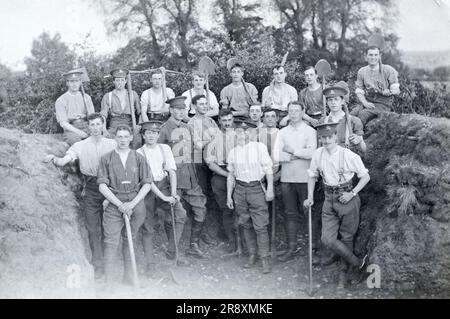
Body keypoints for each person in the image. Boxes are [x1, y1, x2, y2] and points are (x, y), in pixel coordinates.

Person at [44, 113, 117, 279]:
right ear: (87, 127)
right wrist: (54, 158)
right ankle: (97, 265)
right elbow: (65, 160)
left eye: (98, 124)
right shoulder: (81, 145)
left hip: (111, 188)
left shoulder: (112, 144)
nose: (95, 128)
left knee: (110, 228)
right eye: (92, 125)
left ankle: (110, 264)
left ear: (103, 125)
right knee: (93, 228)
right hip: (91, 188)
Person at [304, 122, 370, 289]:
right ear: (320, 139)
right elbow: (312, 175)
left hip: (347, 197)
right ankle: (356, 262)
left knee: (347, 237)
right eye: (323, 138)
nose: (326, 140)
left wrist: (352, 193)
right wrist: (310, 196)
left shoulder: (348, 155)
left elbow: (365, 177)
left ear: (336, 137)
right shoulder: (318, 154)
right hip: (329, 198)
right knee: (327, 238)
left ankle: (343, 275)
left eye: (329, 137)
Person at [97, 125, 152, 291]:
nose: (122, 140)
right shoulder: (106, 158)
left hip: (136, 204)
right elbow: (102, 186)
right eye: (119, 136)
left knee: (130, 239)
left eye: (125, 136)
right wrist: (120, 205)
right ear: (115, 138)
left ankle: (129, 277)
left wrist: (131, 205)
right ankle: (109, 282)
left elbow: (148, 184)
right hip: (115, 204)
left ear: (130, 138)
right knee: (111, 242)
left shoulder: (139, 157)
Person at [158, 96, 209, 259]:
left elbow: (198, 145)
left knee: (201, 208)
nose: (180, 112)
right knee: (173, 214)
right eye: (177, 109)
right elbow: (158, 154)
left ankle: (193, 244)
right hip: (173, 178)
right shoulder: (164, 129)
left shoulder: (188, 127)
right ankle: (173, 248)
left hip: (190, 175)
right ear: (171, 110)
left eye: (183, 110)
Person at [137, 120, 188, 275]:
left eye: (154, 133)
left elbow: (172, 171)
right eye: (148, 133)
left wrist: (172, 193)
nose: (151, 136)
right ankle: (150, 263)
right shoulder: (139, 153)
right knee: (147, 226)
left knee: (180, 214)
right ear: (143, 135)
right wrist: (163, 198)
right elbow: (147, 179)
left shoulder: (164, 148)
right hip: (148, 190)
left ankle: (173, 250)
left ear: (158, 135)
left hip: (165, 186)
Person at [226, 120, 274, 274]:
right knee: (245, 223)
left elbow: (268, 170)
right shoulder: (233, 152)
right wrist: (229, 196)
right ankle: (252, 254)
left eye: (246, 131)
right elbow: (231, 175)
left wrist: (270, 190)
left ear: (251, 133)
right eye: (239, 131)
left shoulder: (259, 148)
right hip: (240, 190)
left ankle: (264, 257)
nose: (243, 134)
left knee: (260, 225)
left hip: (256, 188)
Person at [273, 102, 317, 262]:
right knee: (290, 213)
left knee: (308, 212)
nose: (293, 114)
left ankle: (312, 248)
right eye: (290, 111)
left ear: (303, 112)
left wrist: (293, 151)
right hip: (287, 178)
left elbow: (313, 153)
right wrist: (296, 155)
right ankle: (291, 247)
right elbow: (276, 154)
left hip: (305, 178)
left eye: (297, 111)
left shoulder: (310, 131)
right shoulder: (282, 132)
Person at [187, 94, 220, 246]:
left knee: (213, 197)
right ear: (194, 106)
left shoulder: (210, 120)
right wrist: (212, 139)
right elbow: (198, 145)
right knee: (201, 196)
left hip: (212, 161)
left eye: (206, 103)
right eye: (201, 104)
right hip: (199, 162)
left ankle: (214, 231)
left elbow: (220, 137)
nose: (204, 106)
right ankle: (200, 234)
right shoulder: (191, 123)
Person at [205, 109, 237, 252]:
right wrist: (226, 174)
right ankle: (231, 240)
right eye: (224, 121)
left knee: (241, 209)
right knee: (226, 209)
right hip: (221, 174)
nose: (227, 123)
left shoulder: (239, 135)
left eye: (229, 120)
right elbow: (210, 163)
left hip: (240, 174)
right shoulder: (213, 137)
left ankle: (244, 241)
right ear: (219, 121)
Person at [351, 40, 400, 126]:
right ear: (366, 56)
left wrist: (389, 91)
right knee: (351, 115)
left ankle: (358, 137)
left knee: (362, 115)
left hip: (383, 104)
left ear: (379, 56)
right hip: (368, 102)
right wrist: (365, 103)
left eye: (375, 55)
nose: (373, 58)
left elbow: (396, 90)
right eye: (370, 55)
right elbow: (359, 90)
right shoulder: (362, 71)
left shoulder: (388, 70)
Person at [100, 68, 141, 148]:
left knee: (137, 140)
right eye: (117, 80)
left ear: (126, 81)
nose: (120, 83)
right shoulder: (108, 96)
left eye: (122, 80)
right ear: (113, 82)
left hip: (130, 124)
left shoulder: (133, 94)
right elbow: (103, 115)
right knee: (109, 141)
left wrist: (138, 126)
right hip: (114, 125)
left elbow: (140, 112)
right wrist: (104, 130)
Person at [321, 85, 367, 154]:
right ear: (327, 102)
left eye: (336, 99)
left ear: (342, 101)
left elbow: (363, 149)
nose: (333, 102)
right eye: (330, 100)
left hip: (346, 159)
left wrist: (359, 141)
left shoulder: (354, 121)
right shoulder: (323, 122)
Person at [55, 69, 95, 145]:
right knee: (77, 143)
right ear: (67, 83)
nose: (74, 84)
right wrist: (80, 133)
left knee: (98, 140)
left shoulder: (86, 97)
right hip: (71, 128)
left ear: (80, 82)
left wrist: (91, 129)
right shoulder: (61, 100)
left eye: (77, 81)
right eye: (72, 81)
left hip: (86, 125)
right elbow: (63, 123)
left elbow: (93, 117)